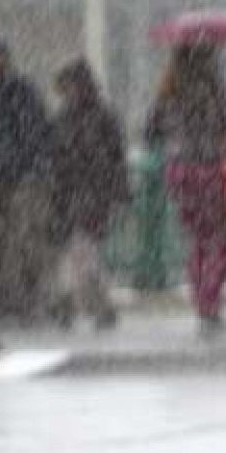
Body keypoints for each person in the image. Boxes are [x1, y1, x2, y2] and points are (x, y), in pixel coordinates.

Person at [145, 43, 226, 335]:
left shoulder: (168, 93)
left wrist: (176, 140)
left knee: (198, 238)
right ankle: (211, 301)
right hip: (209, 170)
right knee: (221, 238)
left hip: (179, 173)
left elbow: (150, 133)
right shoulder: (213, 92)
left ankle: (201, 299)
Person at [48, 59, 129, 330]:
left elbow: (114, 156)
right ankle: (88, 303)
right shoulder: (93, 116)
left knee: (80, 247)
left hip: (88, 192)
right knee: (81, 249)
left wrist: (117, 189)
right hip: (81, 191)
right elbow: (116, 156)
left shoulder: (84, 118)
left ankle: (72, 301)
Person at [0, 42, 54, 321]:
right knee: (8, 241)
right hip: (6, 178)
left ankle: (18, 298)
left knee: (15, 241)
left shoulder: (8, 94)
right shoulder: (12, 93)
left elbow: (32, 133)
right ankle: (14, 298)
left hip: (14, 178)